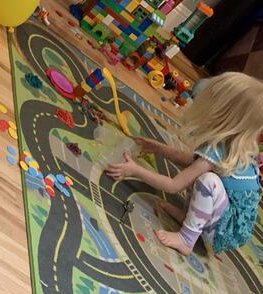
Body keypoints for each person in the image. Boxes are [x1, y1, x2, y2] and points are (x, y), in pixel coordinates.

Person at [106, 72, 263, 256]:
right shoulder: (228, 144)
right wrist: (160, 149)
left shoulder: (221, 151)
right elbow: (191, 161)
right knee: (200, 172)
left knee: (207, 181)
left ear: (224, 115)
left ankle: (186, 239)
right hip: (223, 218)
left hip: (223, 232)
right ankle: (186, 217)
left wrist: (134, 170)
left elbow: (173, 186)